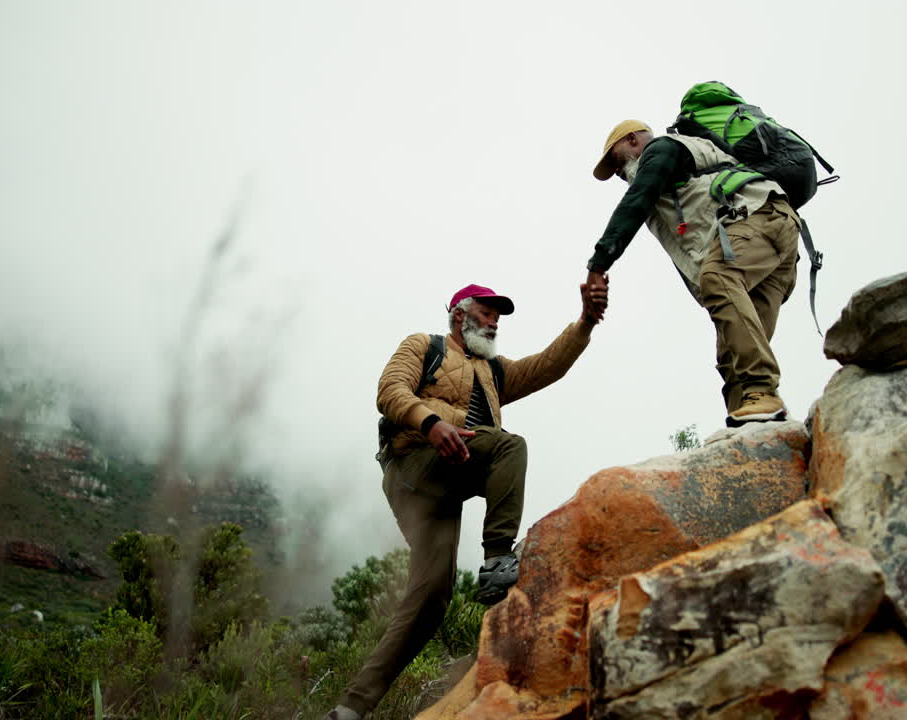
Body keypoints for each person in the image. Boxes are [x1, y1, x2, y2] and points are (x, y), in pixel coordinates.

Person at [322, 281, 607, 720]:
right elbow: (390, 390)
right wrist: (431, 422)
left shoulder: (494, 372)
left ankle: (349, 709)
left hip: (451, 481)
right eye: (488, 313)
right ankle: (497, 559)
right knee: (510, 446)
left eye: (498, 317)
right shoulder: (424, 345)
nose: (495, 323)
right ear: (461, 314)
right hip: (415, 466)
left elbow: (545, 366)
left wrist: (585, 322)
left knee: (431, 599)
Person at [585, 119, 802, 426]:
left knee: (718, 279)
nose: (618, 173)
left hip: (757, 218)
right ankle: (754, 420)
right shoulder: (682, 169)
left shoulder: (661, 150)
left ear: (633, 140)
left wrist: (599, 264)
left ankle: (761, 394)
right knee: (732, 346)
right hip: (775, 236)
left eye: (616, 161)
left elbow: (635, 202)